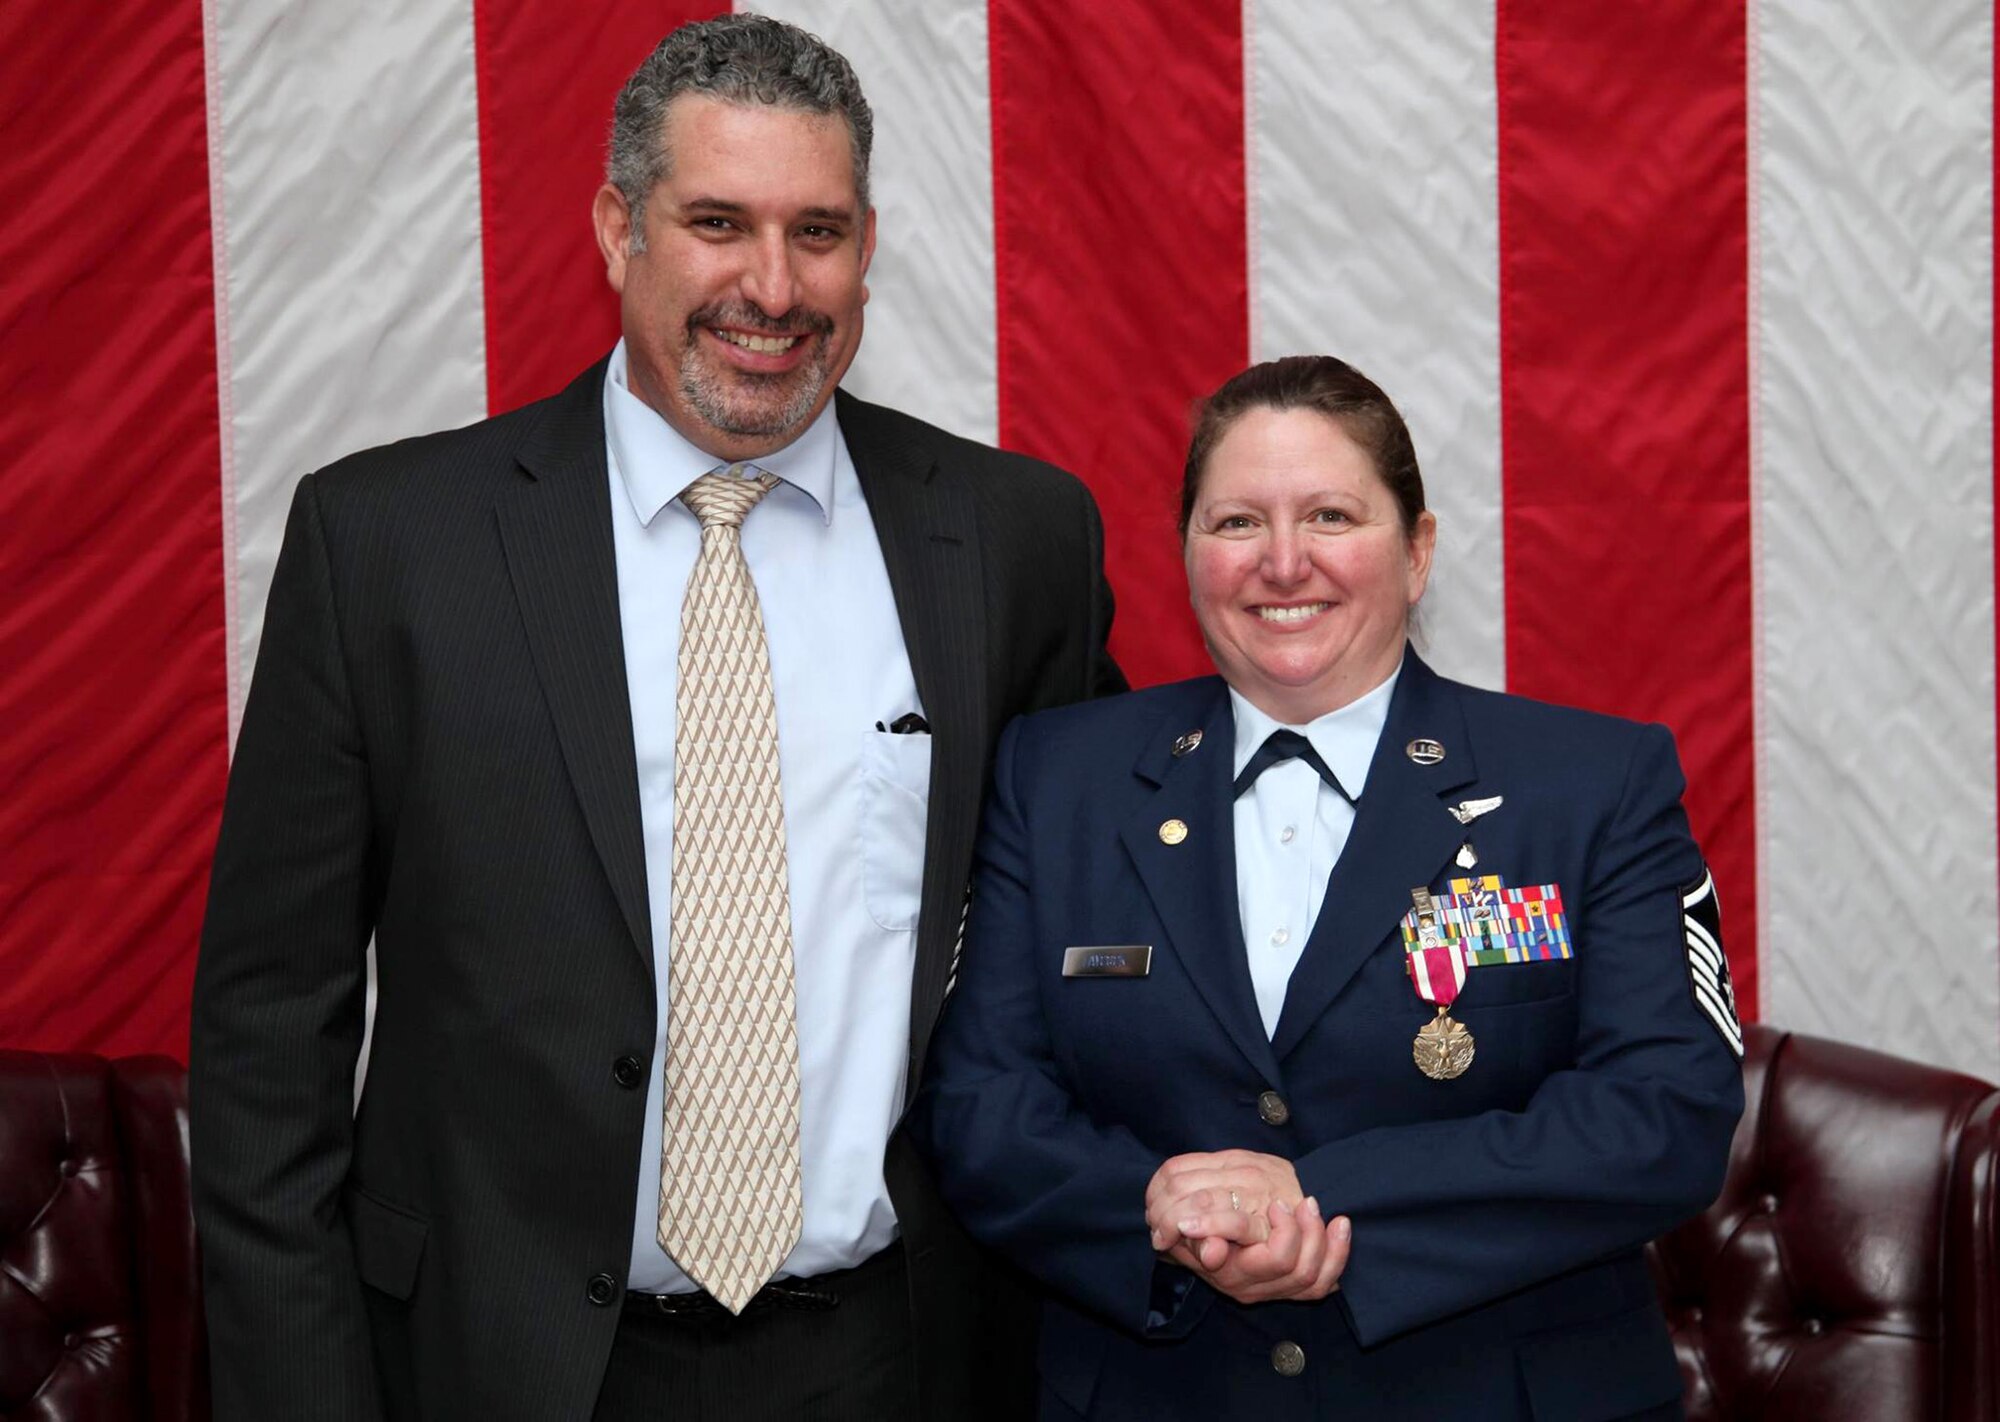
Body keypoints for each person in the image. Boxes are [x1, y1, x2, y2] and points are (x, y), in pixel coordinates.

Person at [189, 15, 1120, 1421]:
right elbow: (270, 1033)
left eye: (817, 230)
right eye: (716, 222)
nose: (771, 284)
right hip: (501, 1363)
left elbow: (1097, 930)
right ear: (620, 229)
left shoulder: (1013, 540)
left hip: (902, 1354)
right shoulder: (388, 544)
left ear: (869, 247)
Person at [913, 355, 1745, 1420]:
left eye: (1330, 515)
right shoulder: (1057, 778)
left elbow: (1661, 1115)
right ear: (1186, 554)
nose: (1282, 561)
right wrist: (1154, 1209)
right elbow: (982, 1106)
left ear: (1417, 551)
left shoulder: (1588, 786)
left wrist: (1320, 1201)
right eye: (1234, 524)